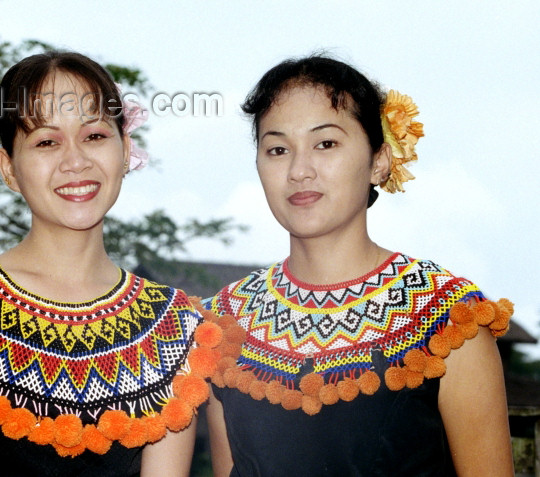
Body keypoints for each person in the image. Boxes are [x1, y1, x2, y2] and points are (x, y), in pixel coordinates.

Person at [0, 51, 216, 477]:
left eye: (94, 136)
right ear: (9, 168)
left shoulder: (173, 327)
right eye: (46, 141)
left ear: (125, 151)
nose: (75, 161)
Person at [202, 55, 514, 476]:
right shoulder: (222, 323)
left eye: (326, 144)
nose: (299, 170)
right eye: (277, 149)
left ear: (379, 161)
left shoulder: (447, 317)